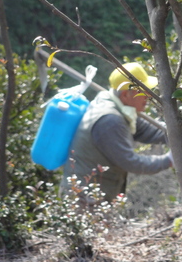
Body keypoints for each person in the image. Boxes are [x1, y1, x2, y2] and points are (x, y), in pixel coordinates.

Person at [60, 62, 173, 203]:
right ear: (126, 95)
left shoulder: (118, 107)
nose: (148, 96)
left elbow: (147, 131)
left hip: (93, 197)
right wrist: (169, 160)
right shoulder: (110, 120)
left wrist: (177, 133)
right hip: (84, 201)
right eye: (143, 91)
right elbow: (130, 162)